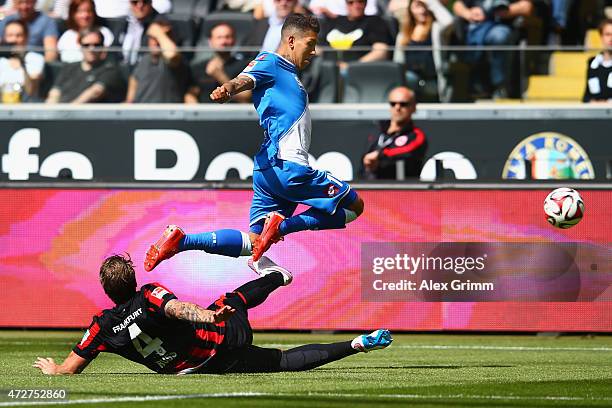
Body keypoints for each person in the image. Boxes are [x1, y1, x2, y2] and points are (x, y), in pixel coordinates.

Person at [144, 14, 365, 272]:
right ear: (291, 40)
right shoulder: (271, 61)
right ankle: (282, 226)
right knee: (355, 207)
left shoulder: (289, 73)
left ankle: (182, 241)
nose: (314, 51)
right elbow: (245, 79)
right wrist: (228, 88)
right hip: (288, 165)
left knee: (255, 242)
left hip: (268, 170)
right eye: (310, 43)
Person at [32, 253, 392, 375]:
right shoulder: (148, 295)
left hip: (199, 368)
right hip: (221, 341)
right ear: (133, 279)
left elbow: (71, 368)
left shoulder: (101, 326)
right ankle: (277, 276)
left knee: (281, 362)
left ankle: (359, 344)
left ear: (106, 291)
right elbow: (177, 308)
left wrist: (54, 371)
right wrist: (209, 317)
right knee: (231, 299)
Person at [452, 0, 533, 98]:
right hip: (477, 28)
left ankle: (499, 85)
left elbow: (527, 6)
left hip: (502, 26)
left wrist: (506, 11)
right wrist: (469, 14)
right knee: (474, 39)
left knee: (498, 36)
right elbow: (457, 5)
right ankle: (478, 85)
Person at [393, 0, 453, 102]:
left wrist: (430, 2)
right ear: (410, 10)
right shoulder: (403, 34)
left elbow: (449, 21)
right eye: (417, 7)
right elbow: (398, 62)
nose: (422, 11)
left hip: (432, 82)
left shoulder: (436, 29)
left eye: (424, 7)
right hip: (409, 84)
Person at [362, 86, 427, 179]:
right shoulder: (377, 130)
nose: (397, 107)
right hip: (369, 185)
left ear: (413, 107)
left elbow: (404, 152)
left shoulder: (416, 135)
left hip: (399, 188)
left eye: (403, 104)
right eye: (393, 104)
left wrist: (379, 156)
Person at [125, 20, 198, 103]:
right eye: (153, 37)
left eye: (161, 37)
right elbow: (131, 94)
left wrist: (158, 33)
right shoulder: (143, 61)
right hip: (140, 113)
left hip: (166, 113)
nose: (156, 42)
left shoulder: (178, 61)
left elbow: (172, 55)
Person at [46, 28, 126, 103]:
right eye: (86, 45)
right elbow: (55, 92)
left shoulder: (110, 70)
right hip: (59, 113)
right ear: (80, 46)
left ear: (103, 47)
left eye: (96, 45)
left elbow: (95, 92)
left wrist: (67, 112)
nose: (91, 49)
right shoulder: (69, 67)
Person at [191, 22, 251, 104]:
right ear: (210, 41)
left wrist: (220, 75)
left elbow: (246, 98)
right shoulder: (199, 67)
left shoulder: (245, 66)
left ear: (234, 40)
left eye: (227, 37)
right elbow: (190, 93)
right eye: (219, 37)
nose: (223, 41)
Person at [319, 0, 393, 66]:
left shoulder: (375, 22)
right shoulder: (333, 22)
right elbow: (318, 48)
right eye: (351, 2)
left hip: (359, 71)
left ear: (366, 3)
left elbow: (381, 51)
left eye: (360, 1)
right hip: (327, 69)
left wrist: (351, 66)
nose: (356, 6)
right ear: (346, 4)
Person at [0, 19, 44, 102]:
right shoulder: (1, 60)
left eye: (19, 35)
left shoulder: (35, 58)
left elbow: (31, 90)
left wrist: (21, 61)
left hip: (26, 106)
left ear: (26, 37)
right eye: (10, 35)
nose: (14, 39)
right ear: (4, 38)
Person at [583, 18, 612, 103]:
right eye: (607, 34)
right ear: (601, 36)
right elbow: (586, 97)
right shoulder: (592, 63)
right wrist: (594, 103)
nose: (611, 38)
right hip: (596, 113)